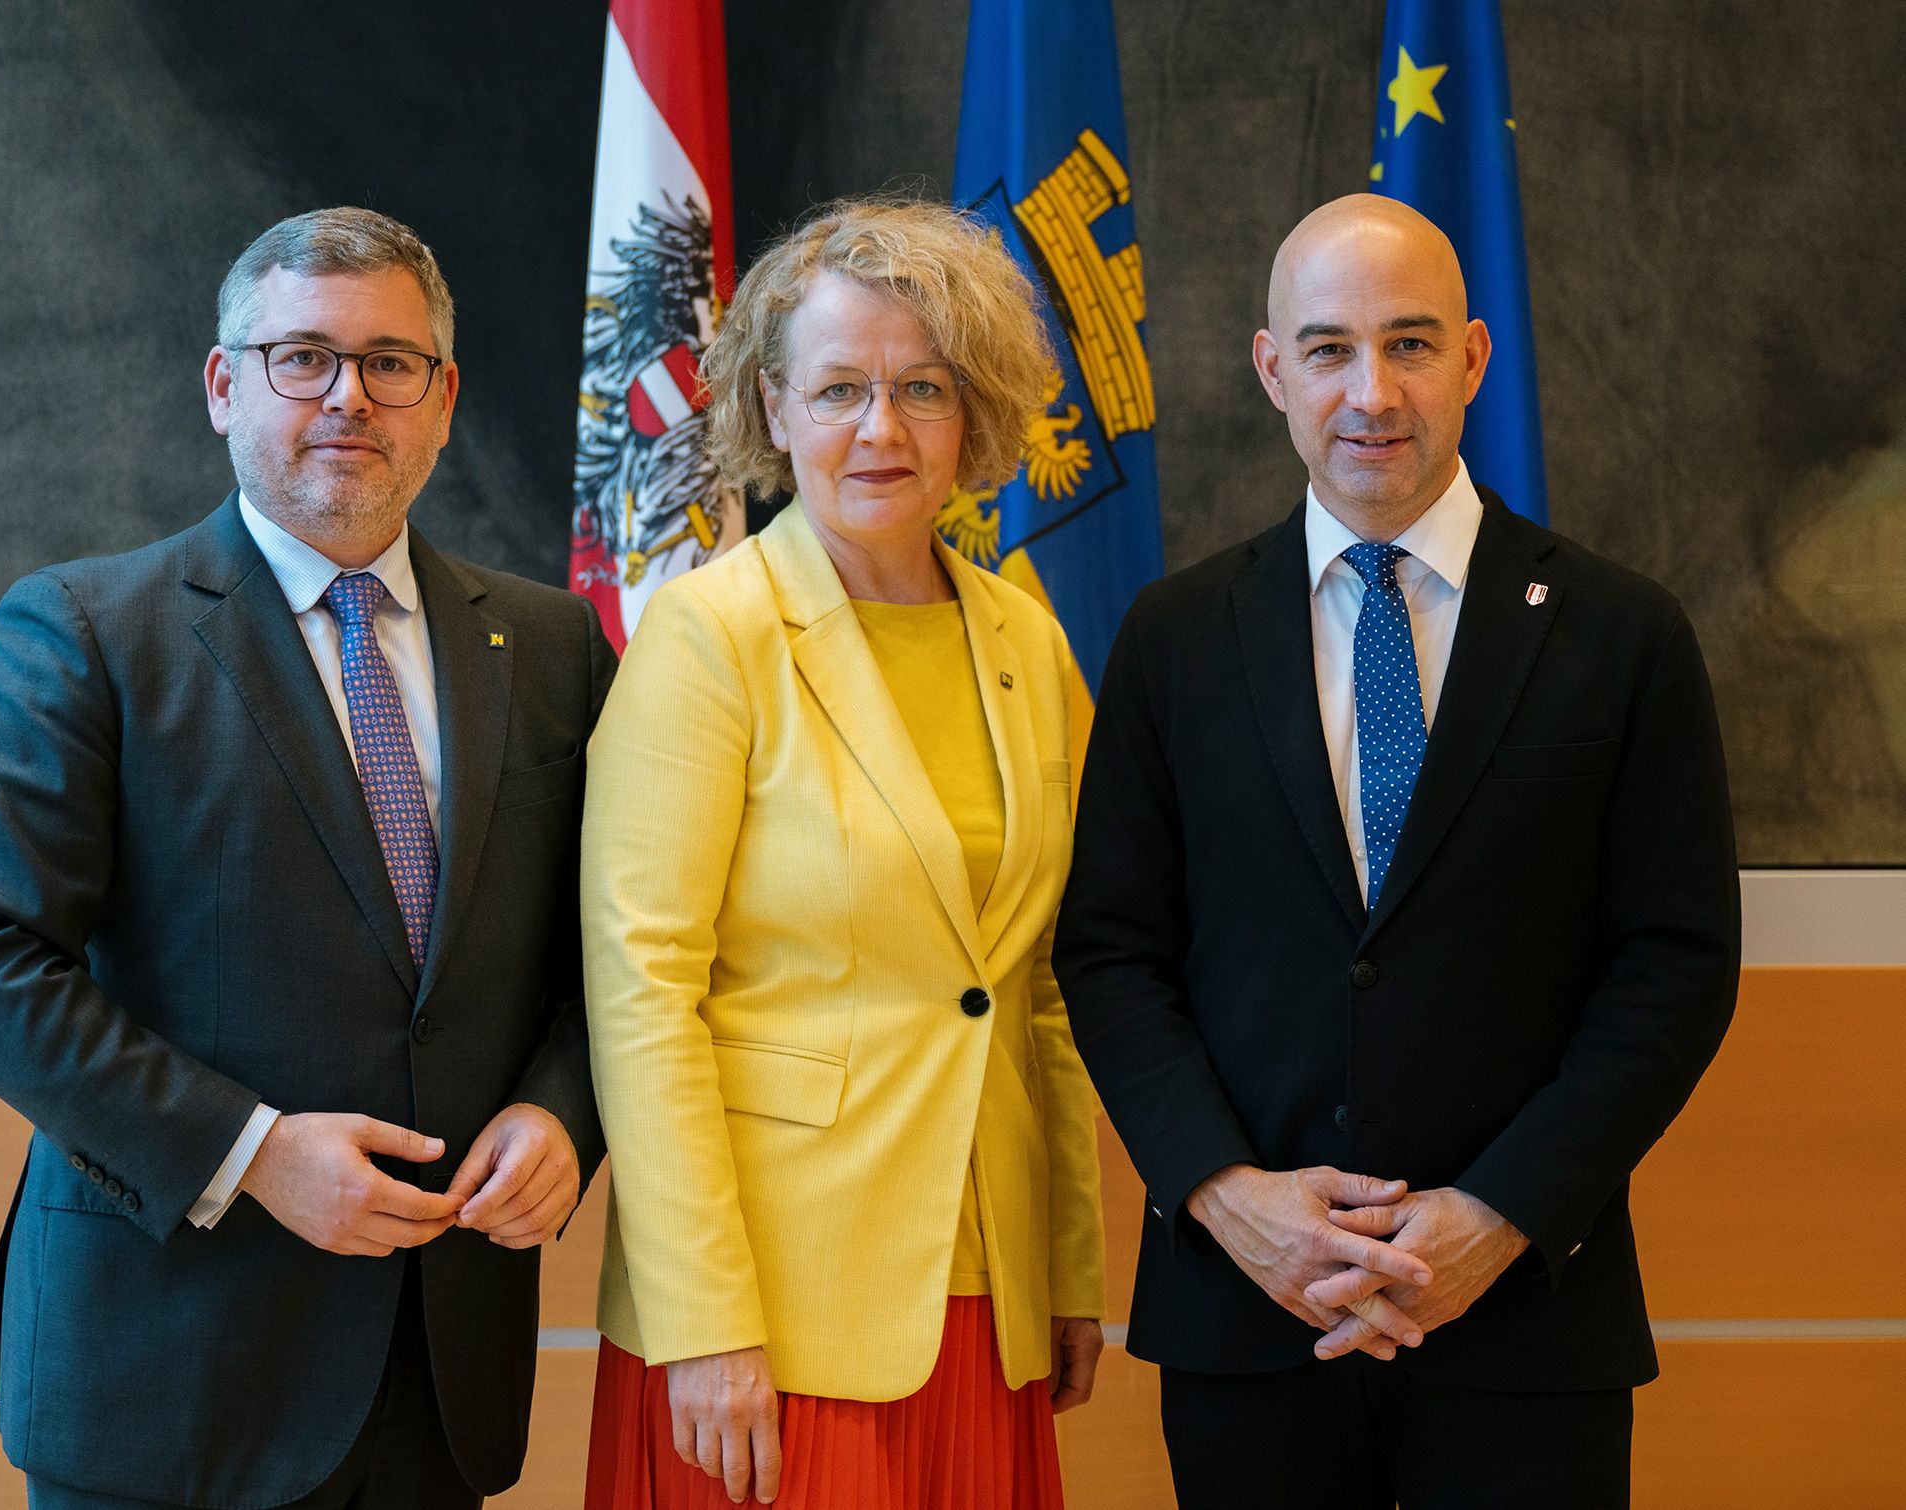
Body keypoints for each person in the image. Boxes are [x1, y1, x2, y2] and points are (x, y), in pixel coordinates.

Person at [0, 207, 615, 1509]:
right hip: (168, 1373)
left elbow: (611, 950)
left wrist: (565, 1109)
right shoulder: (88, 630)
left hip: (437, 1373)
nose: (348, 396)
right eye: (302, 357)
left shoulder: (553, 644)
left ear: (443, 398)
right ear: (226, 385)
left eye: (389, 362)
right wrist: (250, 1149)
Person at [1055, 193, 1741, 1508]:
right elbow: (1110, 948)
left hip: (1523, 1320)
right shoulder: (1173, 636)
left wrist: (1498, 1213)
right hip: (1249, 1315)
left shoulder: (1618, 632)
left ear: (1474, 358)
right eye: (1326, 348)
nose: (1370, 392)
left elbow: (1674, 963)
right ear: (1271, 369)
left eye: (1410, 344)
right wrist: (1220, 1190)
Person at [579, 198, 1107, 1510]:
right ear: (772, 403)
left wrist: (1070, 1262)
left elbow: (1039, 983)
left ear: (973, 410)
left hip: (987, 1304)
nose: (880, 429)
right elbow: (643, 992)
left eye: (920, 388)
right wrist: (704, 1317)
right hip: (768, 1320)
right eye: (839, 389)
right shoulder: (711, 638)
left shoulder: (1026, 643)